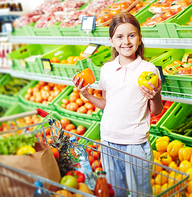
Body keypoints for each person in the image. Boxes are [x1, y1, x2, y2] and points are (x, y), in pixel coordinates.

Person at [72, 12, 163, 197]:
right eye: (119, 37)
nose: (126, 41)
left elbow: (156, 110)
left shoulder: (148, 69)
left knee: (140, 193)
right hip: (108, 140)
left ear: (139, 38)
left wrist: (155, 97)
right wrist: (87, 94)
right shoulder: (107, 69)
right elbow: (107, 104)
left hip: (135, 144)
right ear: (111, 41)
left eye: (131, 35)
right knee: (116, 192)